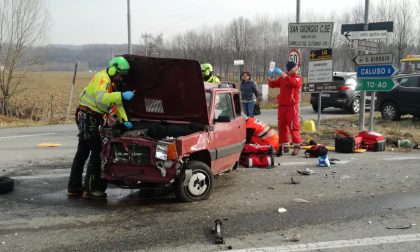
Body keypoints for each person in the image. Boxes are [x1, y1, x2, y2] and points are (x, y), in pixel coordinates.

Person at [67, 56, 136, 200]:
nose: (121, 78)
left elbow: (118, 104)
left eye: (123, 76)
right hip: (87, 116)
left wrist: (125, 120)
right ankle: (92, 190)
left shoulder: (112, 83)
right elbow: (101, 98)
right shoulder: (102, 78)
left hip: (89, 116)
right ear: (112, 69)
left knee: (82, 151)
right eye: (119, 74)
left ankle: (74, 188)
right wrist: (122, 95)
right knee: (97, 151)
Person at [267, 61, 302, 156]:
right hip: (282, 106)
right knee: (282, 126)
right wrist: (270, 77)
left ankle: (297, 146)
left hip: (292, 106)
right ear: (290, 69)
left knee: (293, 126)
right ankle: (284, 145)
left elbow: (294, 84)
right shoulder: (283, 78)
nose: (297, 69)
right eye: (295, 67)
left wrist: (282, 74)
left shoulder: (297, 78)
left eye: (297, 67)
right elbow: (272, 85)